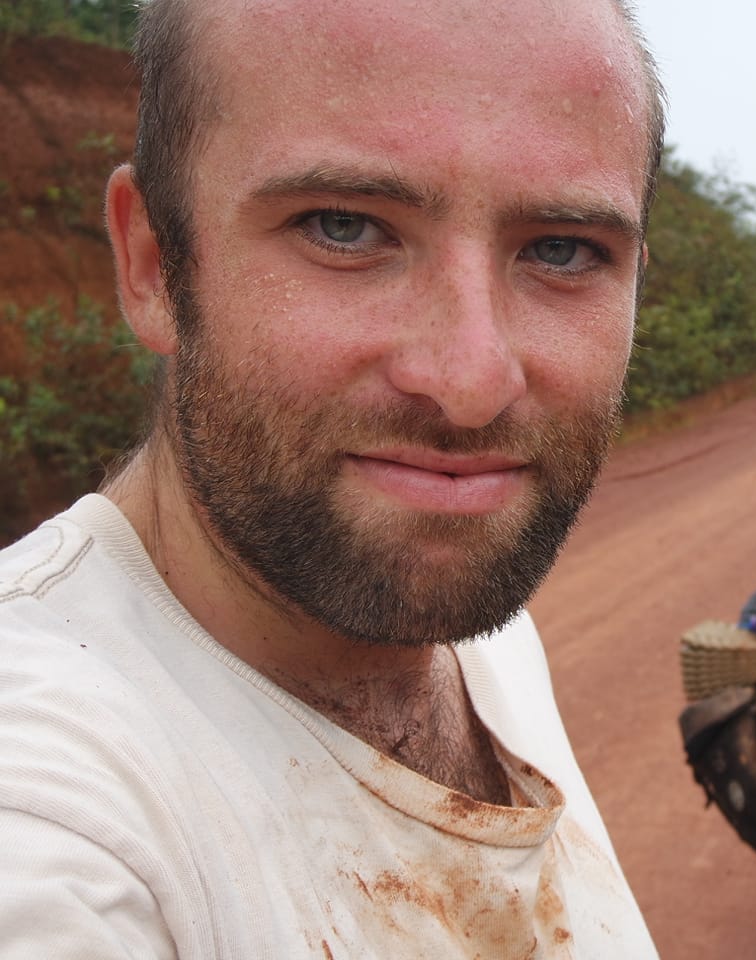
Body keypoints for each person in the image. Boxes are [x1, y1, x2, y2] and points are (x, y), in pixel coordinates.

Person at [0, 0, 666, 955]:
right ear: (152, 262)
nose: (472, 383)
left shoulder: (484, 634)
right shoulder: (50, 816)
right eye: (345, 227)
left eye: (562, 250)